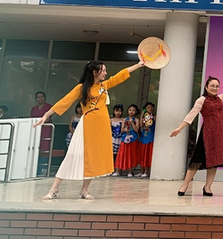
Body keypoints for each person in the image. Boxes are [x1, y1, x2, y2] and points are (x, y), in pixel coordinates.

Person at [34, 60, 145, 200]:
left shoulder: (104, 86)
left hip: (101, 127)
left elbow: (120, 76)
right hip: (87, 126)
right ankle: (54, 188)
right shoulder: (82, 88)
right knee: (72, 155)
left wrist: (138, 65)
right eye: (103, 70)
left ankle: (84, 190)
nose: (105, 73)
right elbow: (65, 101)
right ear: (95, 72)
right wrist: (46, 114)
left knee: (93, 158)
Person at [171, 68, 223, 197]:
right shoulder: (201, 100)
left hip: (220, 133)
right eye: (212, 86)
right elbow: (191, 115)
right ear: (206, 87)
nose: (215, 88)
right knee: (196, 160)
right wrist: (180, 128)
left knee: (215, 161)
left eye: (217, 86)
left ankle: (208, 187)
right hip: (207, 133)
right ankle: (185, 185)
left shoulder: (220, 98)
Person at [115, 104, 141, 177]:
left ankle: (130, 171)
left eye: (133, 110)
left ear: (136, 112)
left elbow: (136, 130)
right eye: (130, 110)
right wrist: (124, 129)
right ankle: (118, 170)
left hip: (133, 139)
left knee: (131, 155)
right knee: (122, 154)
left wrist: (132, 123)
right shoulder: (124, 119)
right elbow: (122, 129)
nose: (131, 112)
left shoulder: (137, 120)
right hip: (124, 138)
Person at [138, 102, 155, 178]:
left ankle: (146, 171)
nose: (150, 109)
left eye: (151, 107)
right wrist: (142, 115)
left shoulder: (154, 116)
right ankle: (141, 171)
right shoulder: (144, 117)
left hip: (150, 136)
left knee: (147, 154)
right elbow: (141, 125)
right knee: (142, 153)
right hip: (144, 136)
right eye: (148, 107)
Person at [110, 104, 124, 176]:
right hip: (112, 139)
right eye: (117, 111)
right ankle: (111, 169)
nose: (118, 113)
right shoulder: (111, 120)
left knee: (119, 154)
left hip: (120, 138)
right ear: (114, 111)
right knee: (112, 155)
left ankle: (118, 170)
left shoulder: (123, 120)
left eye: (120, 111)